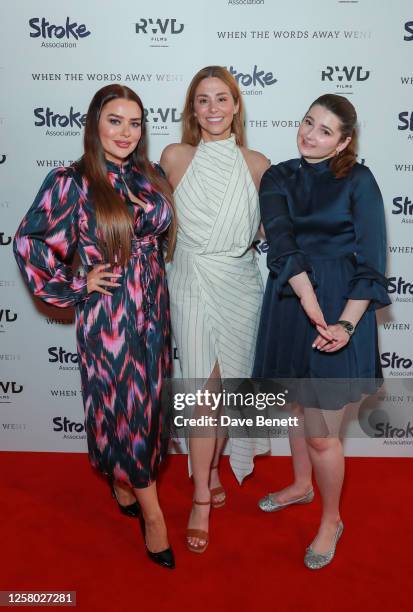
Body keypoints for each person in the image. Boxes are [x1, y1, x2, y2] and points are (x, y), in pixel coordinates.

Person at [13, 84, 177, 570]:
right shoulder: (73, 181)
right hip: (109, 316)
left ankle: (123, 480)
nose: (126, 132)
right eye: (115, 121)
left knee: (148, 408)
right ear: (94, 124)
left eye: (135, 123)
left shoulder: (151, 175)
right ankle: (153, 516)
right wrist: (76, 283)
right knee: (124, 407)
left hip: (154, 309)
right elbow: (29, 242)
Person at [253, 94, 390, 569]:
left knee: (321, 434)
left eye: (325, 130)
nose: (310, 134)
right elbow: (282, 244)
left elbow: (372, 262)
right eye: (308, 122)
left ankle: (331, 519)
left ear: (344, 141)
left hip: (343, 304)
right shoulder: (277, 176)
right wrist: (312, 309)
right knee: (293, 405)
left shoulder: (359, 179)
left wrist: (346, 324)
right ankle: (300, 485)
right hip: (293, 300)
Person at [160, 66, 270, 553]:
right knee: (202, 388)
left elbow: (267, 233)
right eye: (202, 100)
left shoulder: (258, 164)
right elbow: (155, 223)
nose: (213, 109)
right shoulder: (174, 157)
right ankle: (202, 494)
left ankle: (207, 466)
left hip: (239, 284)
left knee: (225, 387)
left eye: (221, 98)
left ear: (236, 105)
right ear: (193, 110)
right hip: (188, 280)